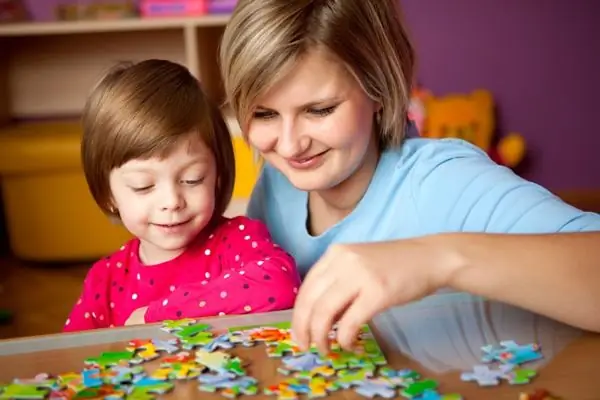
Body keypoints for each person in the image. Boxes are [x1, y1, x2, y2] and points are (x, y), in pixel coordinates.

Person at [219, 0, 600, 354]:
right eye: (265, 114)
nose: (289, 146)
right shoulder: (278, 182)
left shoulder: (444, 181)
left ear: (379, 88)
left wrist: (436, 260)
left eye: (319, 110)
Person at [63, 59, 301, 332]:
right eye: (143, 185)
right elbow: (70, 355)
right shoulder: (104, 280)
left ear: (217, 177)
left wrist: (159, 314)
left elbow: (279, 284)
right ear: (108, 195)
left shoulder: (237, 240)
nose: (172, 201)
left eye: (192, 179)